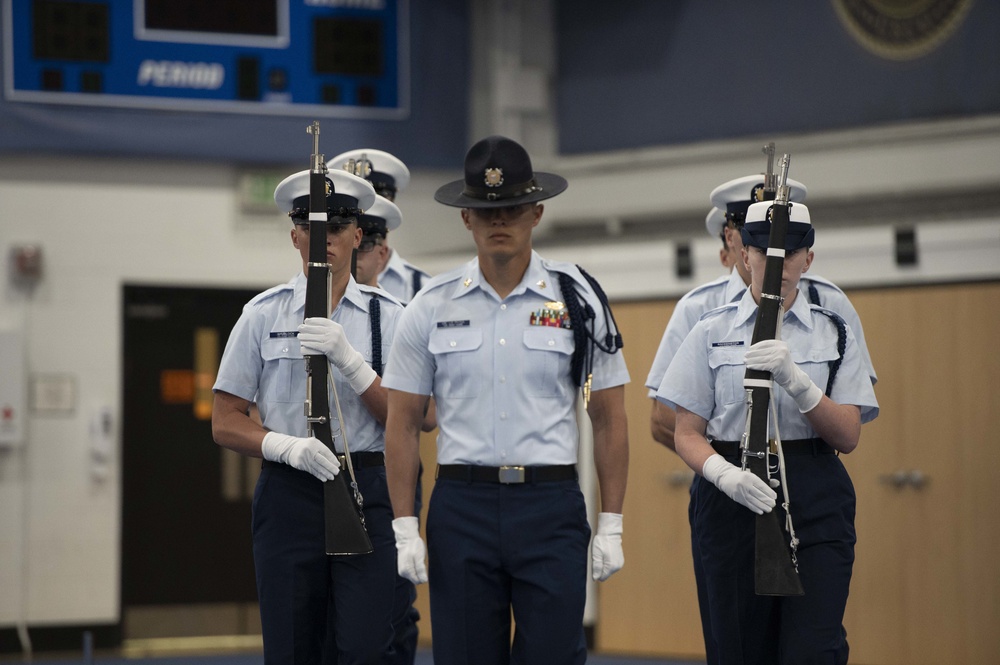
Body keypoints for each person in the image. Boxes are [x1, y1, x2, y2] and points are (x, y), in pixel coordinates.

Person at [381, 135, 630, 665]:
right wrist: (404, 525)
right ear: (465, 218)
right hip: (462, 510)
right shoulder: (428, 306)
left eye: (513, 207)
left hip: (551, 506)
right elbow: (402, 423)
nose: (500, 220)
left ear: (537, 212)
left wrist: (613, 520)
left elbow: (608, 416)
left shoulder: (578, 299)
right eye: (485, 209)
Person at [656, 200, 879, 664]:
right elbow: (684, 430)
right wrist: (723, 474)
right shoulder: (709, 329)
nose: (778, 263)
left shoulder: (832, 331)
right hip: (732, 491)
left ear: (809, 259)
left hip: (813, 486)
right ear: (744, 255)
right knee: (738, 646)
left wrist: (800, 384)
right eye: (763, 251)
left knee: (814, 648)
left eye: (792, 254)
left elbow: (849, 435)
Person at [211, 167, 403, 665]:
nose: (325, 239)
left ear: (358, 235)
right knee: (292, 646)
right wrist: (283, 445)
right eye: (312, 227)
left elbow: (411, 419)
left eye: (337, 227)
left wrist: (354, 364)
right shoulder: (263, 314)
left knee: (364, 647)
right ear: (295, 234)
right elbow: (225, 418)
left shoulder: (391, 317)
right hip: (288, 492)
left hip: (365, 484)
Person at [330, 149, 431, 304]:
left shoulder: (421, 288)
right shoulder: (302, 286)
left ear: (391, 203)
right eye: (355, 200)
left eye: (374, 197)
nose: (366, 207)